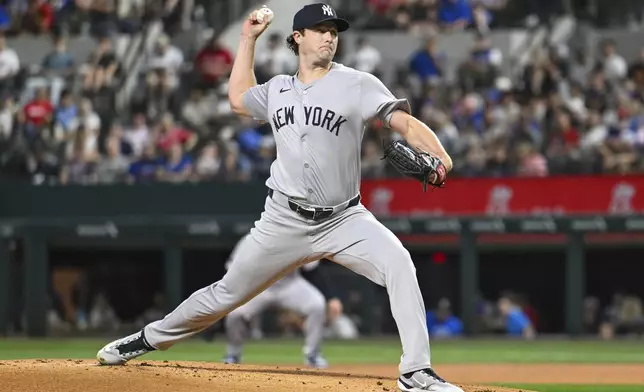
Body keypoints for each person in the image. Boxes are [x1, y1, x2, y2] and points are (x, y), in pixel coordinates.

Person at [96, 4, 459, 392]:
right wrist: (247, 39)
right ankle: (146, 339)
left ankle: (415, 371)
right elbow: (238, 98)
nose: (330, 36)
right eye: (320, 29)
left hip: (345, 219)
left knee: (399, 263)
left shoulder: (357, 83)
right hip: (284, 220)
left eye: (333, 30)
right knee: (224, 295)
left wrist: (441, 156)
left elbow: (404, 122)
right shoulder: (277, 90)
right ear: (298, 37)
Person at [222, 235, 333, 368]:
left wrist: (331, 297)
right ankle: (233, 353)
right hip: (258, 287)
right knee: (235, 313)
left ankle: (312, 354)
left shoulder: (297, 238)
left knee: (317, 304)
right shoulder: (251, 239)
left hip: (290, 284)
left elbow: (312, 269)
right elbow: (232, 267)